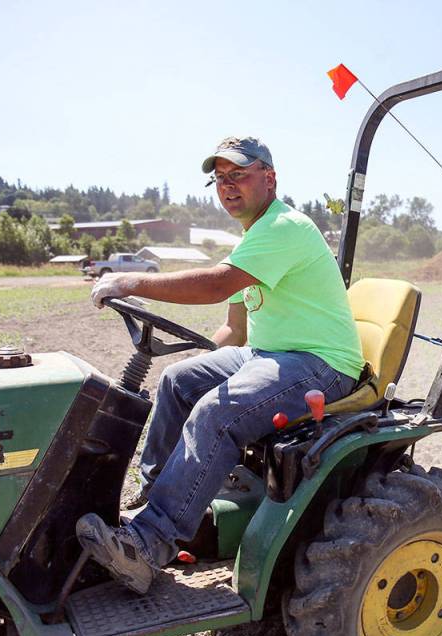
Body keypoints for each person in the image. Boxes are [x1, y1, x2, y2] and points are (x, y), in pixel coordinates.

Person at [76, 137, 364, 594]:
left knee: (217, 411)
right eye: (221, 179)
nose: (228, 187)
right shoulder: (252, 240)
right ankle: (151, 502)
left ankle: (148, 545)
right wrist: (204, 358)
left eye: (240, 175)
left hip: (320, 362)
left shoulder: (285, 227)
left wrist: (131, 281)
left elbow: (216, 286)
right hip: (267, 355)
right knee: (178, 381)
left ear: (269, 178)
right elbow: (235, 329)